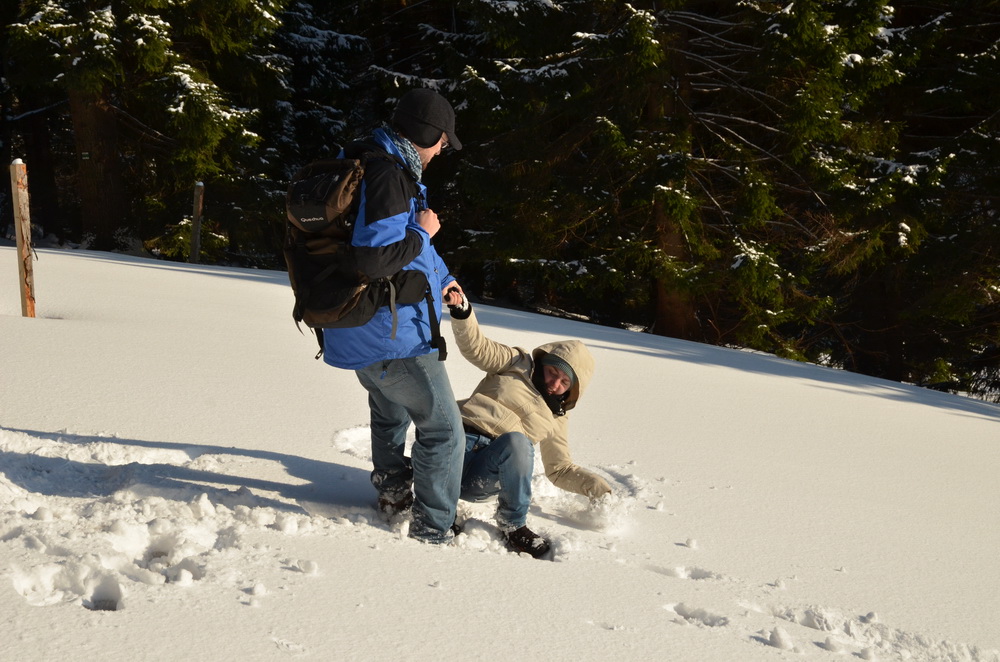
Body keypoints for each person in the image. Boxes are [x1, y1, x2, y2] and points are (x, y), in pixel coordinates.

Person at [322, 88, 467, 544]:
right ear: (428, 134)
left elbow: (405, 246)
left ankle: (392, 489)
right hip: (391, 335)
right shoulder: (387, 177)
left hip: (356, 329)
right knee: (444, 430)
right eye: (443, 141)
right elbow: (375, 258)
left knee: (388, 413)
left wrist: (443, 279)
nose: (443, 150)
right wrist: (424, 233)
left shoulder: (373, 163)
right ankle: (433, 527)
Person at [442, 290, 612, 558]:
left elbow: (559, 469)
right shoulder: (516, 363)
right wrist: (462, 312)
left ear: (572, 390)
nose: (554, 383)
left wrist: (598, 489)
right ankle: (438, 508)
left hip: (485, 474)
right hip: (454, 444)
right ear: (544, 363)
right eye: (552, 372)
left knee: (518, 442)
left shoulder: (557, 415)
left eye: (564, 382)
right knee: (439, 411)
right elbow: (477, 347)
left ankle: (513, 526)